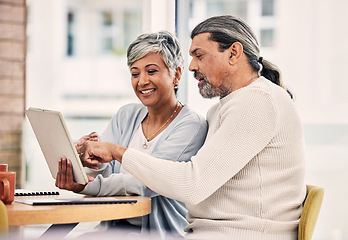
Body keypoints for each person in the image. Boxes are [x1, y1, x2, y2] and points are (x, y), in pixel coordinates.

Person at [77, 15, 307, 240]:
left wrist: (118, 152)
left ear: (234, 53)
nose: (191, 66)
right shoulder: (227, 107)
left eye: (199, 55)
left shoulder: (256, 102)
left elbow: (191, 185)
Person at [55, 31, 208, 239]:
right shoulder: (126, 115)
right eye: (135, 74)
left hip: (159, 234)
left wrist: (87, 185)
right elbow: (106, 172)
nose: (142, 81)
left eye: (151, 71)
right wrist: (84, 161)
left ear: (177, 74)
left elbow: (147, 183)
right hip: (115, 230)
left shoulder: (191, 125)